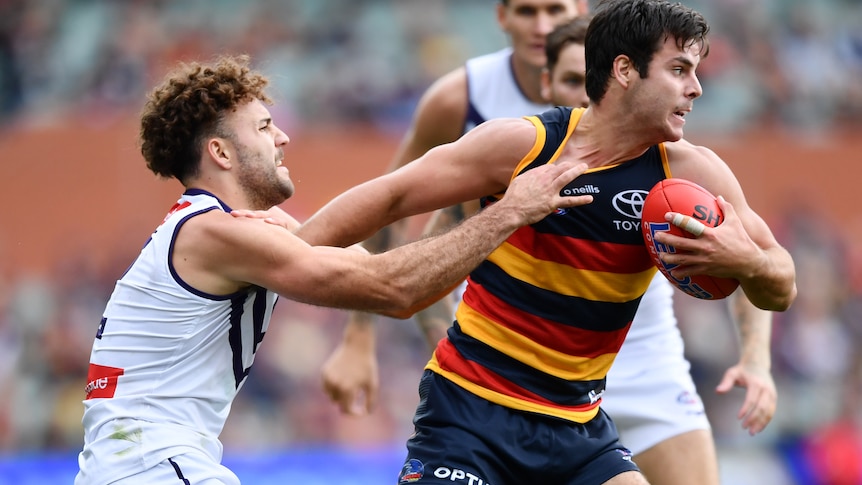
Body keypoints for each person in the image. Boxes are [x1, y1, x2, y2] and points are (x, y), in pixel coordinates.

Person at [293, 0, 797, 483]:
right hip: (472, 412)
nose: (697, 89)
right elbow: (390, 198)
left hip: (578, 422)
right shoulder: (523, 145)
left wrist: (747, 261)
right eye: (680, 70)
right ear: (624, 70)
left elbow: (781, 284)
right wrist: (285, 257)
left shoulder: (693, 172)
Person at [73, 54, 593, 485]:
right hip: (149, 464)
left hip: (137, 461)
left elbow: (380, 268)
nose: (283, 139)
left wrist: (473, 205)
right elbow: (394, 288)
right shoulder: (216, 234)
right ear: (220, 153)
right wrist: (509, 211)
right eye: (264, 126)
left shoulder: (226, 228)